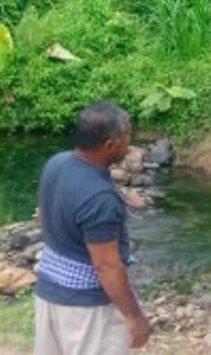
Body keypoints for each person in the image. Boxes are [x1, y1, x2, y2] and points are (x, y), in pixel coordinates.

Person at [35, 101, 150, 355]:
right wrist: (134, 317)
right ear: (110, 144)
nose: (130, 140)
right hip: (86, 310)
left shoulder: (57, 163)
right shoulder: (100, 198)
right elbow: (106, 265)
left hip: (48, 293)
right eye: (127, 134)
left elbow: (43, 216)